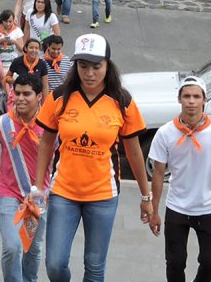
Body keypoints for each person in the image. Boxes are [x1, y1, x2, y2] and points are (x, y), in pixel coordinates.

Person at [34, 34, 154, 282]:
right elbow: (46, 142)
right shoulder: (59, 97)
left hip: (103, 195)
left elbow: (134, 152)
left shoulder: (122, 101)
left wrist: (146, 197)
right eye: (83, 66)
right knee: (55, 264)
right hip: (63, 192)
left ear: (108, 65)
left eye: (96, 66)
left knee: (95, 265)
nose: (89, 73)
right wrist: (38, 187)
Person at [148, 76, 211, 282]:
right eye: (186, 96)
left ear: (204, 100)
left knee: (210, 261)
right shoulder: (165, 133)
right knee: (175, 263)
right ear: (179, 99)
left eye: (196, 96)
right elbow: (158, 173)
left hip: (207, 207)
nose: (191, 101)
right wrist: (154, 210)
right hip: (176, 207)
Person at [0, 74, 51, 282]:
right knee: (12, 246)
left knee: (33, 248)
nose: (20, 98)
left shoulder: (50, 125)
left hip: (39, 197)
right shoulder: (2, 123)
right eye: (17, 93)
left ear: (39, 96)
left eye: (27, 94)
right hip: (10, 194)